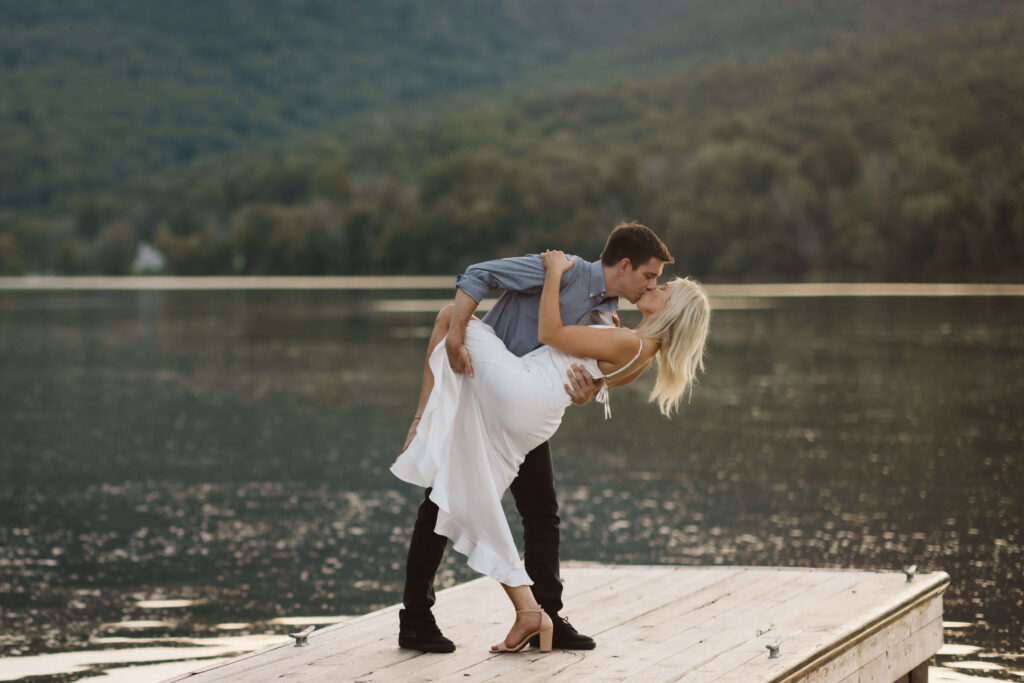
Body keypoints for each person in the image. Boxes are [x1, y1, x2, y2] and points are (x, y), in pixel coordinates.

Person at [392, 223, 709, 652]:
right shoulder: (565, 272)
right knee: (449, 498)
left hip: (523, 399)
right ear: (626, 265)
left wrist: (587, 394)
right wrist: (553, 274)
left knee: (535, 511)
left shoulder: (611, 320)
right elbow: (477, 275)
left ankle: (545, 615)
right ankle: (420, 617)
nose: (652, 285)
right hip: (495, 387)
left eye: (659, 284)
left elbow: (583, 368)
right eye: (650, 277)